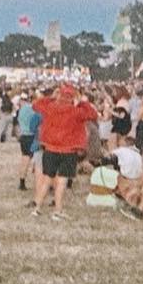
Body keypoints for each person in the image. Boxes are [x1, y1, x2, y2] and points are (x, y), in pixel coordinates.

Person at [31, 81, 99, 221]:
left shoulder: (50, 107)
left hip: (50, 148)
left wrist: (51, 97)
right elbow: (93, 114)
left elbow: (35, 105)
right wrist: (81, 102)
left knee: (47, 179)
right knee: (61, 181)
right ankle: (57, 210)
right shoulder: (76, 112)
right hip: (68, 151)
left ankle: (37, 208)